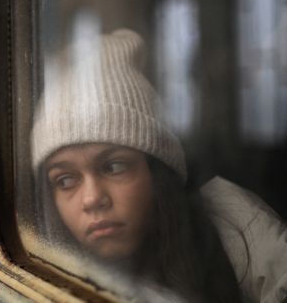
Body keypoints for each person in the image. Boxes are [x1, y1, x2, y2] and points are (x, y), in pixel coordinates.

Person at [30, 29, 287, 303]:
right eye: (65, 180)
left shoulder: (233, 227)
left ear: (157, 171)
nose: (93, 199)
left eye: (114, 166)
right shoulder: (37, 262)